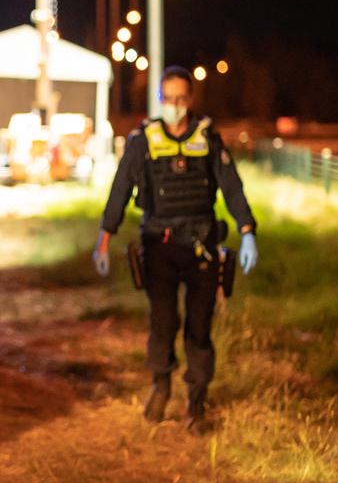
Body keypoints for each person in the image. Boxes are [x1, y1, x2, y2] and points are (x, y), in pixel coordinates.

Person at [93, 65, 258, 433]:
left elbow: (231, 187)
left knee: (199, 329)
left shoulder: (207, 137)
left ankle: (196, 404)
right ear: (160, 100)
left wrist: (247, 231)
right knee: (163, 323)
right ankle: (161, 386)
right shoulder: (143, 140)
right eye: (170, 99)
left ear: (191, 99)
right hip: (160, 247)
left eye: (183, 98)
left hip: (201, 247)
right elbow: (119, 189)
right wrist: (105, 237)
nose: (177, 105)